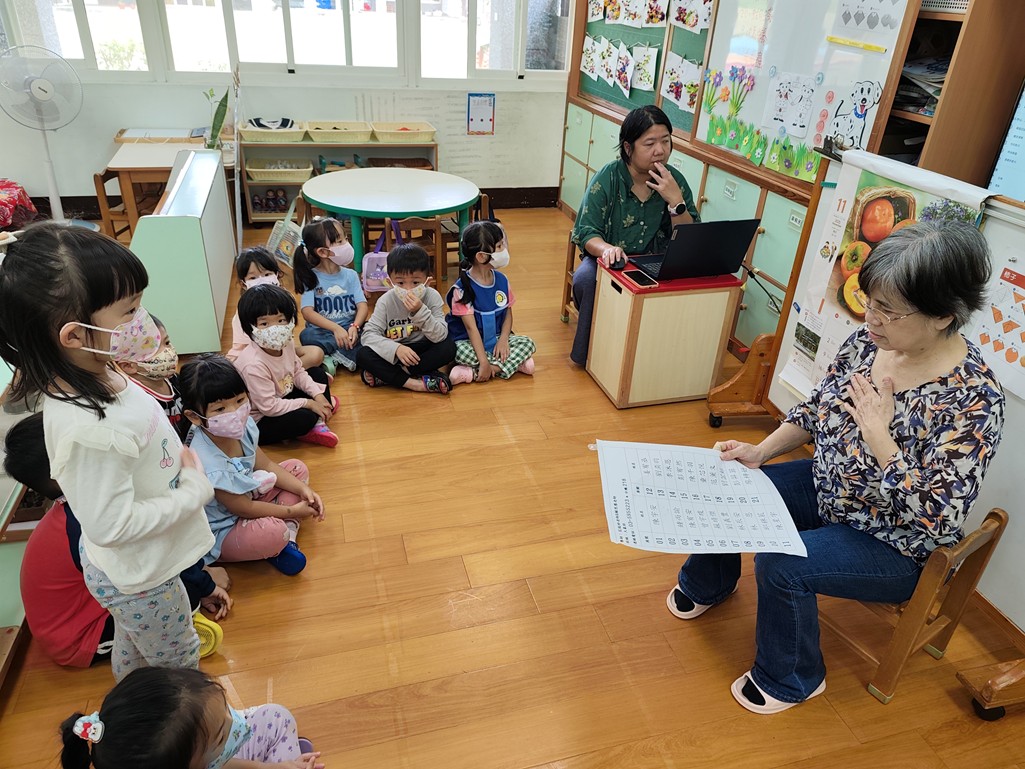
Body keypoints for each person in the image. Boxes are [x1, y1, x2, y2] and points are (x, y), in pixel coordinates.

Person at [666, 222, 1005, 714]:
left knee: (781, 565)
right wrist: (761, 452)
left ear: (943, 316)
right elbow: (816, 408)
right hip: (830, 487)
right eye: (870, 301)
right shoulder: (870, 342)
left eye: (888, 310)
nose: (870, 318)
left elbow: (937, 517)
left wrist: (879, 436)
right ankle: (708, 583)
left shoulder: (974, 399)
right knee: (732, 484)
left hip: (894, 541)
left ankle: (794, 678)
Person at [0, 223, 215, 681]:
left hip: (146, 564)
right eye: (130, 310)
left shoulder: (100, 370)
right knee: (178, 667)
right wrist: (191, 493)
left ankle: (126, 707)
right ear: (74, 335)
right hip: (140, 578)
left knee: (136, 656)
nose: (143, 319)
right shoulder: (88, 431)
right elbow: (111, 525)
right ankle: (199, 728)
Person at [4, 414, 232, 667]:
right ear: (62, 471)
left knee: (176, 590)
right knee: (181, 594)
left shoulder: (80, 508)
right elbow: (156, 560)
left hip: (92, 604)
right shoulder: (93, 523)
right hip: (82, 636)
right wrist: (205, 584)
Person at [569, 105, 700, 365]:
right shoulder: (609, 177)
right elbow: (586, 231)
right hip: (610, 260)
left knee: (695, 279)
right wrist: (607, 249)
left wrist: (676, 202)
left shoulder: (674, 180)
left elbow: (689, 237)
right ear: (628, 148)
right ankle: (589, 355)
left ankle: (664, 354)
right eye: (650, 143)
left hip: (657, 259)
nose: (660, 150)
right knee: (585, 280)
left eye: (665, 141)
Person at [180, 354, 325, 577]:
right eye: (220, 409)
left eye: (240, 401)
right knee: (273, 532)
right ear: (194, 416)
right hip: (225, 526)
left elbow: (265, 464)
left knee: (297, 469)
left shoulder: (243, 425)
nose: (234, 412)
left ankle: (287, 538)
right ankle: (284, 535)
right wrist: (291, 511)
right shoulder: (209, 463)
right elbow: (243, 509)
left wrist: (304, 490)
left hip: (249, 494)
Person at [59, 667, 322, 769]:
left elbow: (223, 764)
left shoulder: (193, 754)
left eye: (227, 709)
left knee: (276, 716)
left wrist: (276, 768)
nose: (238, 723)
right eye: (221, 735)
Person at [233, 284, 338, 447]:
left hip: (281, 395)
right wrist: (308, 403)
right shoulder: (253, 365)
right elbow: (269, 407)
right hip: (261, 419)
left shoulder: (286, 342)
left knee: (318, 374)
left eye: (281, 320)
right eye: (264, 324)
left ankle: (321, 409)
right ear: (250, 327)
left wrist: (317, 395)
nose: (275, 329)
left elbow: (298, 372)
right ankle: (313, 423)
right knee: (304, 418)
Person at [356, 243, 456, 394]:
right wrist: (396, 349)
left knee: (448, 347)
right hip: (396, 351)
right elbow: (369, 335)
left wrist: (420, 310)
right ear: (390, 282)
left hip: (422, 348)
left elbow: (440, 335)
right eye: (400, 283)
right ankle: (414, 383)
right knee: (363, 354)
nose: (408, 289)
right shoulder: (385, 300)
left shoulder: (432, 296)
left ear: (427, 281)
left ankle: (391, 376)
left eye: (415, 283)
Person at [446, 220, 537, 383]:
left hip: (496, 338)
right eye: (500, 246)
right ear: (481, 256)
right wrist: (483, 361)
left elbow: (507, 313)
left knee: (528, 343)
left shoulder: (502, 280)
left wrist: (503, 340)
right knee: (456, 351)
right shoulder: (461, 290)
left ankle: (478, 372)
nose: (504, 249)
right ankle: (512, 364)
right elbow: (471, 329)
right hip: (469, 342)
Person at [227, 246, 325, 371]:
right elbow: (248, 349)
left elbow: (287, 335)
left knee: (315, 354)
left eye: (267, 274)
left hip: (279, 352)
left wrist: (284, 359)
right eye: (253, 278)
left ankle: (284, 376)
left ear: (277, 274)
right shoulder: (245, 310)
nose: (261, 280)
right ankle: (282, 377)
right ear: (243, 284)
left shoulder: (286, 299)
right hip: (253, 358)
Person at [292, 217, 369, 375]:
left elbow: (362, 305)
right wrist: (335, 328)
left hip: (350, 329)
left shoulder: (351, 275)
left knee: (371, 332)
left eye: (345, 239)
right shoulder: (311, 276)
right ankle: (345, 356)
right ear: (322, 252)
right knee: (307, 335)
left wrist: (355, 326)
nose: (346, 244)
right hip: (324, 332)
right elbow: (307, 312)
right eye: (340, 241)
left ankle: (331, 357)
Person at [116, 314, 187, 440]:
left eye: (166, 342)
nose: (167, 352)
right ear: (128, 366)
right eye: (153, 350)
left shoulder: (173, 379)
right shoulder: (138, 401)